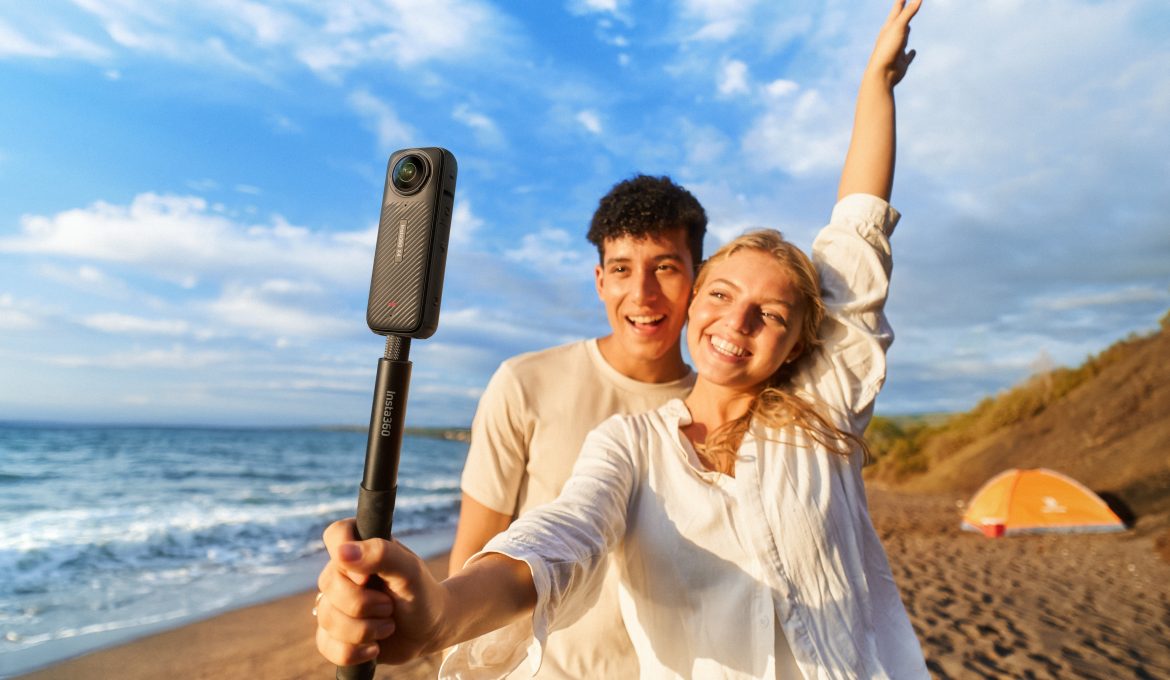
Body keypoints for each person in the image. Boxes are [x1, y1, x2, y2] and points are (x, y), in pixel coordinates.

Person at [315, 0, 928, 677]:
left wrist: (875, 85)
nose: (738, 321)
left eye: (773, 314)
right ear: (694, 301)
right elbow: (556, 537)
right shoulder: (628, 442)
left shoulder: (820, 418)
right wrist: (439, 616)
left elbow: (857, 239)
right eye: (723, 296)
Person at [447, 171, 707, 677]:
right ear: (600, 280)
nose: (642, 293)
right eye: (622, 269)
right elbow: (472, 554)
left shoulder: (719, 406)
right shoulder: (525, 383)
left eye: (666, 267)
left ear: (698, 276)